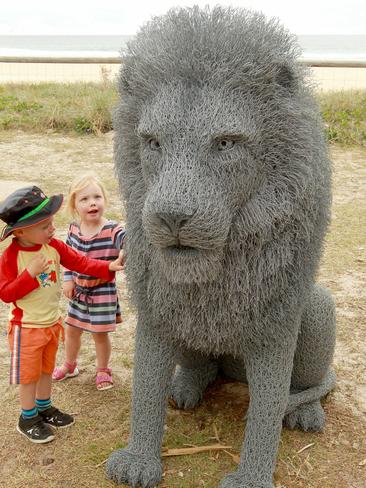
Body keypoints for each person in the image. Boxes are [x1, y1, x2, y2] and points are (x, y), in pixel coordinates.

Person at [0, 185, 123, 444]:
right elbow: (6, 293)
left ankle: (44, 408)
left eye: (52, 223)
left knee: (45, 370)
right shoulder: (11, 256)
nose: (52, 229)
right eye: (44, 226)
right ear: (21, 231)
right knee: (28, 376)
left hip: (51, 324)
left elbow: (79, 262)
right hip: (26, 328)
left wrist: (108, 266)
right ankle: (27, 417)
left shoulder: (53, 245)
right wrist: (29, 275)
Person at [52, 173, 125, 391]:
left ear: (105, 200)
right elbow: (67, 257)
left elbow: (126, 238)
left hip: (102, 291)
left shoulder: (112, 229)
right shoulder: (74, 229)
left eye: (97, 197)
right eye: (84, 199)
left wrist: (129, 244)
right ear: (74, 205)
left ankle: (103, 369)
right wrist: (68, 280)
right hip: (78, 291)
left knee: (99, 334)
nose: (92, 202)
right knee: (72, 330)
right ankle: (70, 364)